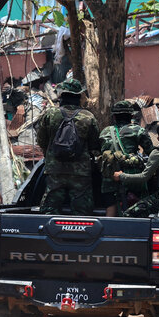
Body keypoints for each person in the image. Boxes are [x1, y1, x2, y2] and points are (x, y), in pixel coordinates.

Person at [36, 79, 101, 216]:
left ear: (62, 95)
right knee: (82, 211)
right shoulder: (88, 117)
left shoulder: (50, 114)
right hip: (80, 172)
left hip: (55, 170)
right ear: (79, 96)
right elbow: (95, 145)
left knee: (50, 208)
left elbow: (41, 141)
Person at [99, 100, 154, 216]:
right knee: (135, 207)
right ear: (132, 116)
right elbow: (151, 152)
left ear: (114, 116)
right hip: (130, 177)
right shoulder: (137, 130)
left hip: (109, 178)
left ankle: (109, 231)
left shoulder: (104, 132)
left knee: (111, 205)